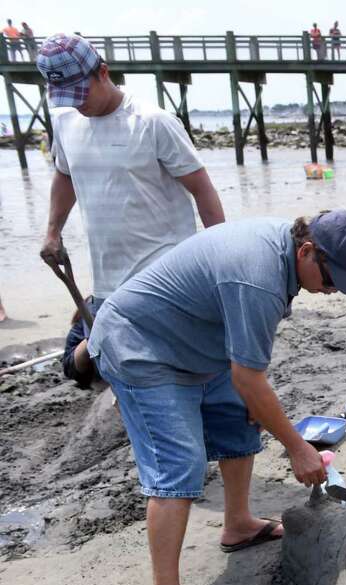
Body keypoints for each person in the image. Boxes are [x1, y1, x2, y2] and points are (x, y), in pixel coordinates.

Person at [87, 210, 346, 585]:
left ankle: (237, 524)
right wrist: (298, 448)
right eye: (334, 278)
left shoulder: (283, 255)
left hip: (199, 343)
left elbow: (246, 381)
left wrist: (265, 414)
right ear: (307, 251)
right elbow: (249, 378)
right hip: (141, 346)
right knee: (179, 463)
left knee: (239, 420)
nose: (334, 290)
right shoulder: (257, 276)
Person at [36, 34, 224, 390]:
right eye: (67, 98)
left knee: (182, 373)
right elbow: (64, 175)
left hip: (168, 278)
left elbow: (202, 189)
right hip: (108, 282)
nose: (77, 106)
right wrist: (52, 231)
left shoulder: (152, 121)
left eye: (82, 94)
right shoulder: (65, 122)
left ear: (103, 72)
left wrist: (221, 254)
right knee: (120, 375)